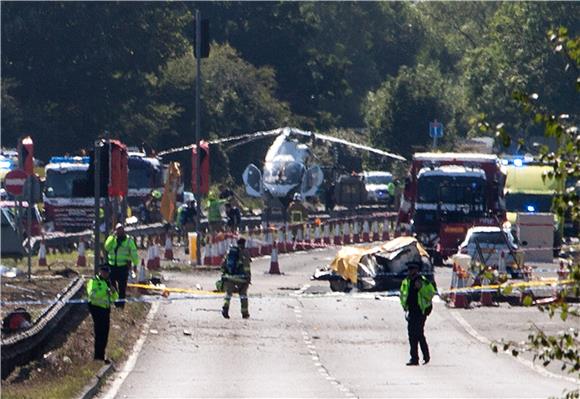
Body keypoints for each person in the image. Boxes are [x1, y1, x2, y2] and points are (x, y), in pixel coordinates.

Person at [399, 261, 436, 366]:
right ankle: (414, 358)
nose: (410, 272)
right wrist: (404, 306)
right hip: (411, 310)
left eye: (412, 270)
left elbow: (430, 294)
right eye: (409, 270)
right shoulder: (406, 282)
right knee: (411, 335)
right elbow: (403, 294)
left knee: (419, 333)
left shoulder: (423, 281)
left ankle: (426, 356)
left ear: (417, 270)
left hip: (421, 311)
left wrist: (421, 288)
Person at [86, 265, 118, 362]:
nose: (105, 274)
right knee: (99, 332)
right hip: (96, 309)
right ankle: (97, 356)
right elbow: (92, 295)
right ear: (100, 271)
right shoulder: (94, 281)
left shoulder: (108, 283)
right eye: (103, 271)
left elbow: (114, 298)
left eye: (107, 272)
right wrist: (105, 292)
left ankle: (101, 355)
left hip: (105, 310)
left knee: (105, 333)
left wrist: (113, 292)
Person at [104, 223, 140, 309]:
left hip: (123, 267)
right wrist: (112, 237)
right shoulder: (112, 239)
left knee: (122, 287)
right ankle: (116, 303)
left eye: (121, 230)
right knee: (112, 286)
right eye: (118, 230)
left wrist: (135, 263)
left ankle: (121, 305)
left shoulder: (128, 240)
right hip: (112, 266)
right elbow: (106, 247)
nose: (119, 232)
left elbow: (134, 252)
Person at [221, 237, 252, 319]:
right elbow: (246, 267)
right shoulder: (245, 252)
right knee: (243, 295)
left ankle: (225, 308)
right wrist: (248, 277)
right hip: (241, 278)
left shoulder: (230, 252)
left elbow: (223, 265)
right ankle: (245, 313)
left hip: (229, 277)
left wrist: (225, 274)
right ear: (244, 244)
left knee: (228, 295)